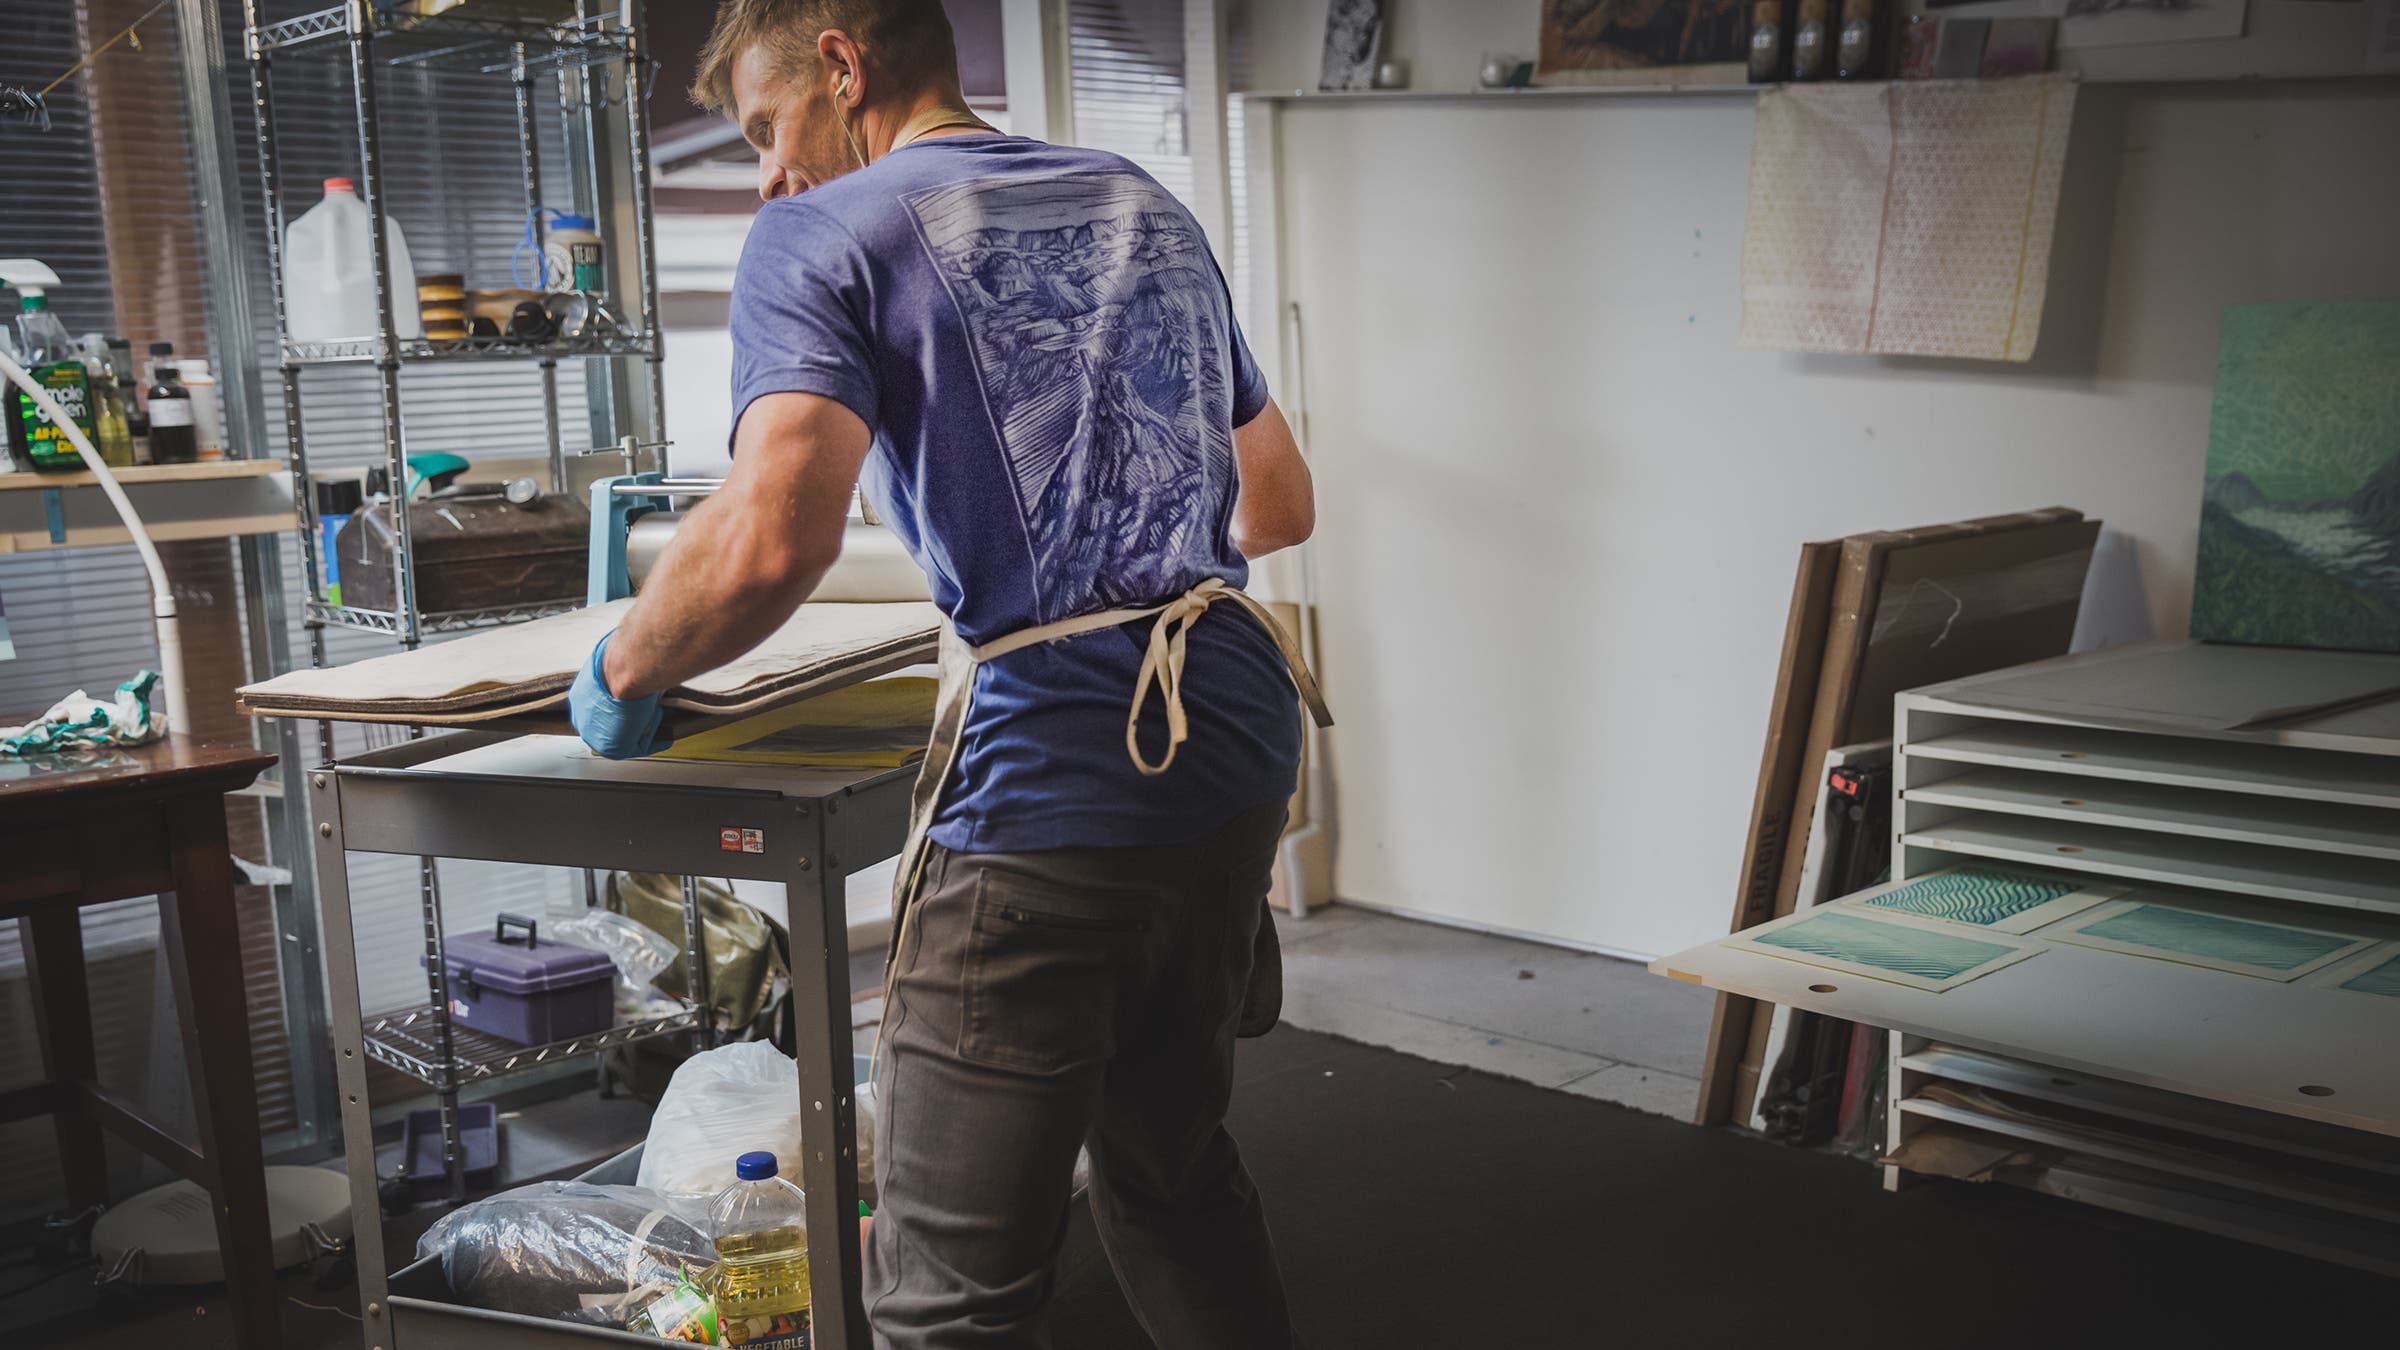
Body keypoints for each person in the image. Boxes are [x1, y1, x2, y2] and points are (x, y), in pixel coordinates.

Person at [566, 3, 1327, 1345]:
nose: (767, 174)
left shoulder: (825, 233)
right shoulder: (1137, 198)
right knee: (1170, 1173)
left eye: (767, 125)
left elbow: (763, 539)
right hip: (1234, 753)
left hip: (1059, 789)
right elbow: (1273, 502)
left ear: (845, 65)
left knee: (944, 1298)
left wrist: (624, 664)